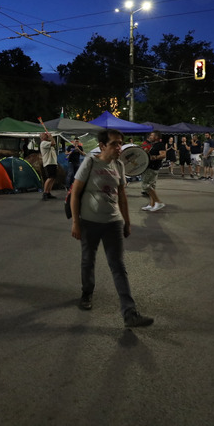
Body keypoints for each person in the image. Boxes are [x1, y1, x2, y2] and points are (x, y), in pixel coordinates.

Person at [70, 128, 153, 328]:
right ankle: (87, 293)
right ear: (102, 146)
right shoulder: (90, 162)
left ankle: (129, 312)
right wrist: (75, 222)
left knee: (118, 266)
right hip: (89, 222)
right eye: (115, 143)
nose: (119, 147)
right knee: (88, 260)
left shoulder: (119, 165)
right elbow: (75, 193)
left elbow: (122, 195)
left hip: (113, 223)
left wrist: (127, 221)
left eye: (120, 143)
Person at [140, 131, 166, 211]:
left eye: (152, 135)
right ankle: (152, 204)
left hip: (152, 168)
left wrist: (154, 157)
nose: (150, 136)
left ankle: (158, 202)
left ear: (156, 137)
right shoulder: (153, 144)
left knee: (146, 186)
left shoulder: (160, 144)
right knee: (151, 186)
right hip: (150, 167)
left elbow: (163, 155)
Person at [39, 132, 59, 200]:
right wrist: (51, 137)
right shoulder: (43, 143)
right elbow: (53, 143)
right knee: (50, 177)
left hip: (53, 162)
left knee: (53, 178)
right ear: (42, 137)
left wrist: (50, 138)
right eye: (45, 135)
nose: (46, 136)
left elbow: (53, 144)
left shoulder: (47, 143)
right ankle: (45, 193)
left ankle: (48, 192)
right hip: (48, 163)